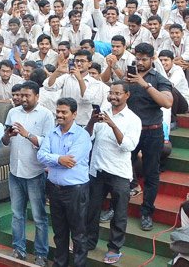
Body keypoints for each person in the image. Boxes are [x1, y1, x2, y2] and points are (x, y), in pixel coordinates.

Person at [85, 80, 141, 264]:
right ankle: (89, 241)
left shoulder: (133, 119)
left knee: (119, 214)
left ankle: (114, 248)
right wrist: (92, 122)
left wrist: (113, 125)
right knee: (92, 211)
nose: (112, 97)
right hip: (97, 171)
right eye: (111, 93)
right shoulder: (102, 113)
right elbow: (87, 138)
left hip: (119, 174)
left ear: (127, 95)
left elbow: (128, 146)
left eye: (117, 93)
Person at [2, 80, 53, 266]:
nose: (22, 99)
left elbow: (48, 143)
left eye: (27, 95)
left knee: (39, 217)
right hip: (15, 171)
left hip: (35, 173)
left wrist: (27, 134)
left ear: (37, 96)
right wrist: (8, 135)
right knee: (17, 214)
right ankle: (19, 249)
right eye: (21, 95)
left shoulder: (46, 115)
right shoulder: (12, 112)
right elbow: (5, 140)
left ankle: (41, 254)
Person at [37, 97, 92, 267]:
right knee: (59, 233)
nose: (59, 115)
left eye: (64, 112)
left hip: (75, 190)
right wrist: (59, 158)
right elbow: (40, 156)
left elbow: (71, 162)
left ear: (74, 114)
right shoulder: (52, 133)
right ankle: (60, 264)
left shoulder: (82, 135)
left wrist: (53, 159)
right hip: (55, 189)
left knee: (78, 234)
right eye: (58, 111)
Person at [126, 43, 174, 231]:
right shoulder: (129, 76)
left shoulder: (159, 79)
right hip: (131, 130)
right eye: (138, 58)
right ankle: (117, 206)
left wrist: (143, 84)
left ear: (152, 59)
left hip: (152, 131)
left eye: (144, 59)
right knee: (121, 169)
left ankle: (146, 212)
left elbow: (167, 102)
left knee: (151, 174)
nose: (140, 62)